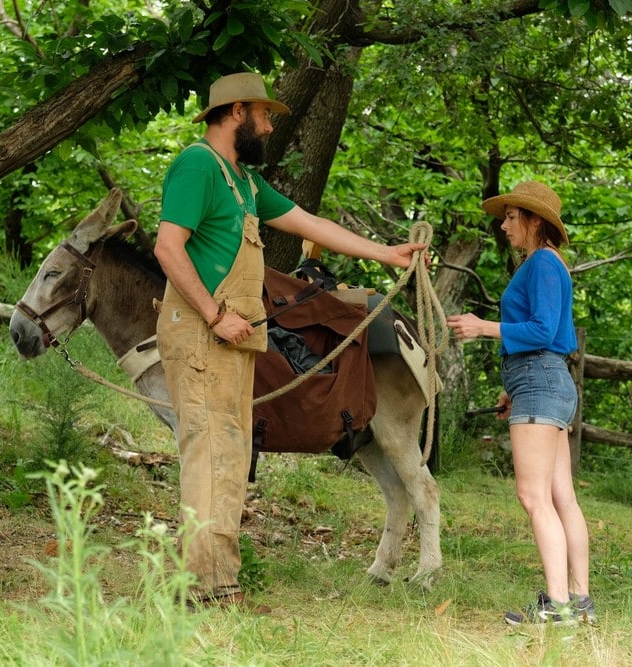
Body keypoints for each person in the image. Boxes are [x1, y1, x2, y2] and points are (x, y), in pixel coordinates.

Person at [153, 72, 427, 610]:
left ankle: (218, 584)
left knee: (229, 455)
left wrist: (384, 253)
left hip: (234, 341)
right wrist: (212, 315)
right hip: (206, 338)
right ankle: (201, 587)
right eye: (265, 114)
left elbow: (309, 223)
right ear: (237, 113)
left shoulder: (244, 182)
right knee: (210, 454)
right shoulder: (196, 165)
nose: (271, 124)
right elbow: (168, 247)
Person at [446, 181, 595, 625]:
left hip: (541, 380)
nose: (504, 224)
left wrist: (482, 326)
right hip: (542, 382)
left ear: (535, 221)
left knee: (534, 496)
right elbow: (543, 339)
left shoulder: (544, 264)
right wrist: (513, 387)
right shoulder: (542, 265)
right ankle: (578, 602)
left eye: (512, 216)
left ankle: (558, 606)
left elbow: (544, 330)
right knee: (560, 496)